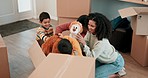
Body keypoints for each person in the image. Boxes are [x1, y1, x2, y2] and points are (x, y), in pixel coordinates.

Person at [76, 12, 126, 78]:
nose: (89, 27)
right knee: (86, 69)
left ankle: (118, 73)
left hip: (115, 62)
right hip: (101, 59)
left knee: (94, 76)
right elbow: (85, 43)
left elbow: (91, 57)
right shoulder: (90, 32)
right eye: (88, 24)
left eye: (92, 26)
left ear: (99, 27)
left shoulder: (102, 42)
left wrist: (84, 44)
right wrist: (78, 42)